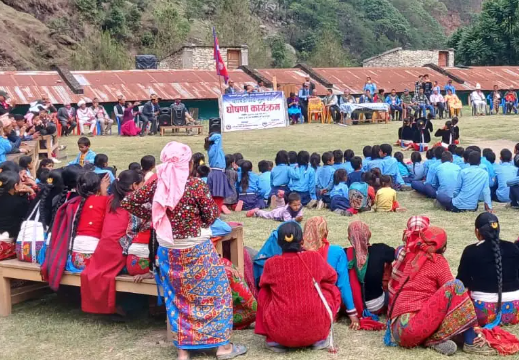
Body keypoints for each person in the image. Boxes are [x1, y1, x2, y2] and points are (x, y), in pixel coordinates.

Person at [122, 142, 247, 360]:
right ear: (188, 165)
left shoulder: (157, 185)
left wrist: (154, 214)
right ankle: (222, 348)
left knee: (178, 298)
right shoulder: (196, 186)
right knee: (217, 294)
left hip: (169, 252)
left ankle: (183, 351)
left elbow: (129, 202)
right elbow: (210, 217)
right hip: (197, 249)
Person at [385, 226, 497, 355]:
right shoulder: (438, 261)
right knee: (457, 286)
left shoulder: (412, 259)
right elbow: (453, 295)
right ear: (443, 248)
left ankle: (430, 340)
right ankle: (470, 341)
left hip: (397, 330)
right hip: (413, 328)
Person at [255, 222, 340, 352]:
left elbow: (262, 284)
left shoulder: (271, 263)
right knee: (331, 289)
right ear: (302, 240)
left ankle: (273, 341)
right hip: (316, 332)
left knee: (264, 292)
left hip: (280, 334)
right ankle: (319, 338)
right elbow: (332, 277)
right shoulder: (314, 257)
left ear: (279, 242)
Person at [80, 170, 148, 316]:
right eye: (143, 184)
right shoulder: (136, 202)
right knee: (139, 266)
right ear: (135, 186)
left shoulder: (111, 200)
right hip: (119, 251)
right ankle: (130, 307)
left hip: (103, 251)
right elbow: (134, 231)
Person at [456, 213, 519, 327]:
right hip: (516, 310)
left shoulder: (471, 251)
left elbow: (462, 283)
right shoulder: (513, 248)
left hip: (483, 312)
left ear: (477, 231)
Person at [301, 217, 360, 329]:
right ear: (325, 233)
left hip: (302, 304)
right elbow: (343, 284)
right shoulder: (337, 252)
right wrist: (352, 314)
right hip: (327, 304)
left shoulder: (298, 252)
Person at [344, 221, 396, 321]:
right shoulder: (381, 249)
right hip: (376, 305)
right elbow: (393, 255)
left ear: (349, 238)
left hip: (351, 306)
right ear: (369, 235)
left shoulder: (345, 253)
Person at [0, 172, 34, 260]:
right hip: (5, 242)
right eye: (21, 183)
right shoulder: (19, 202)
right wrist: (31, 191)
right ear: (15, 186)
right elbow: (30, 215)